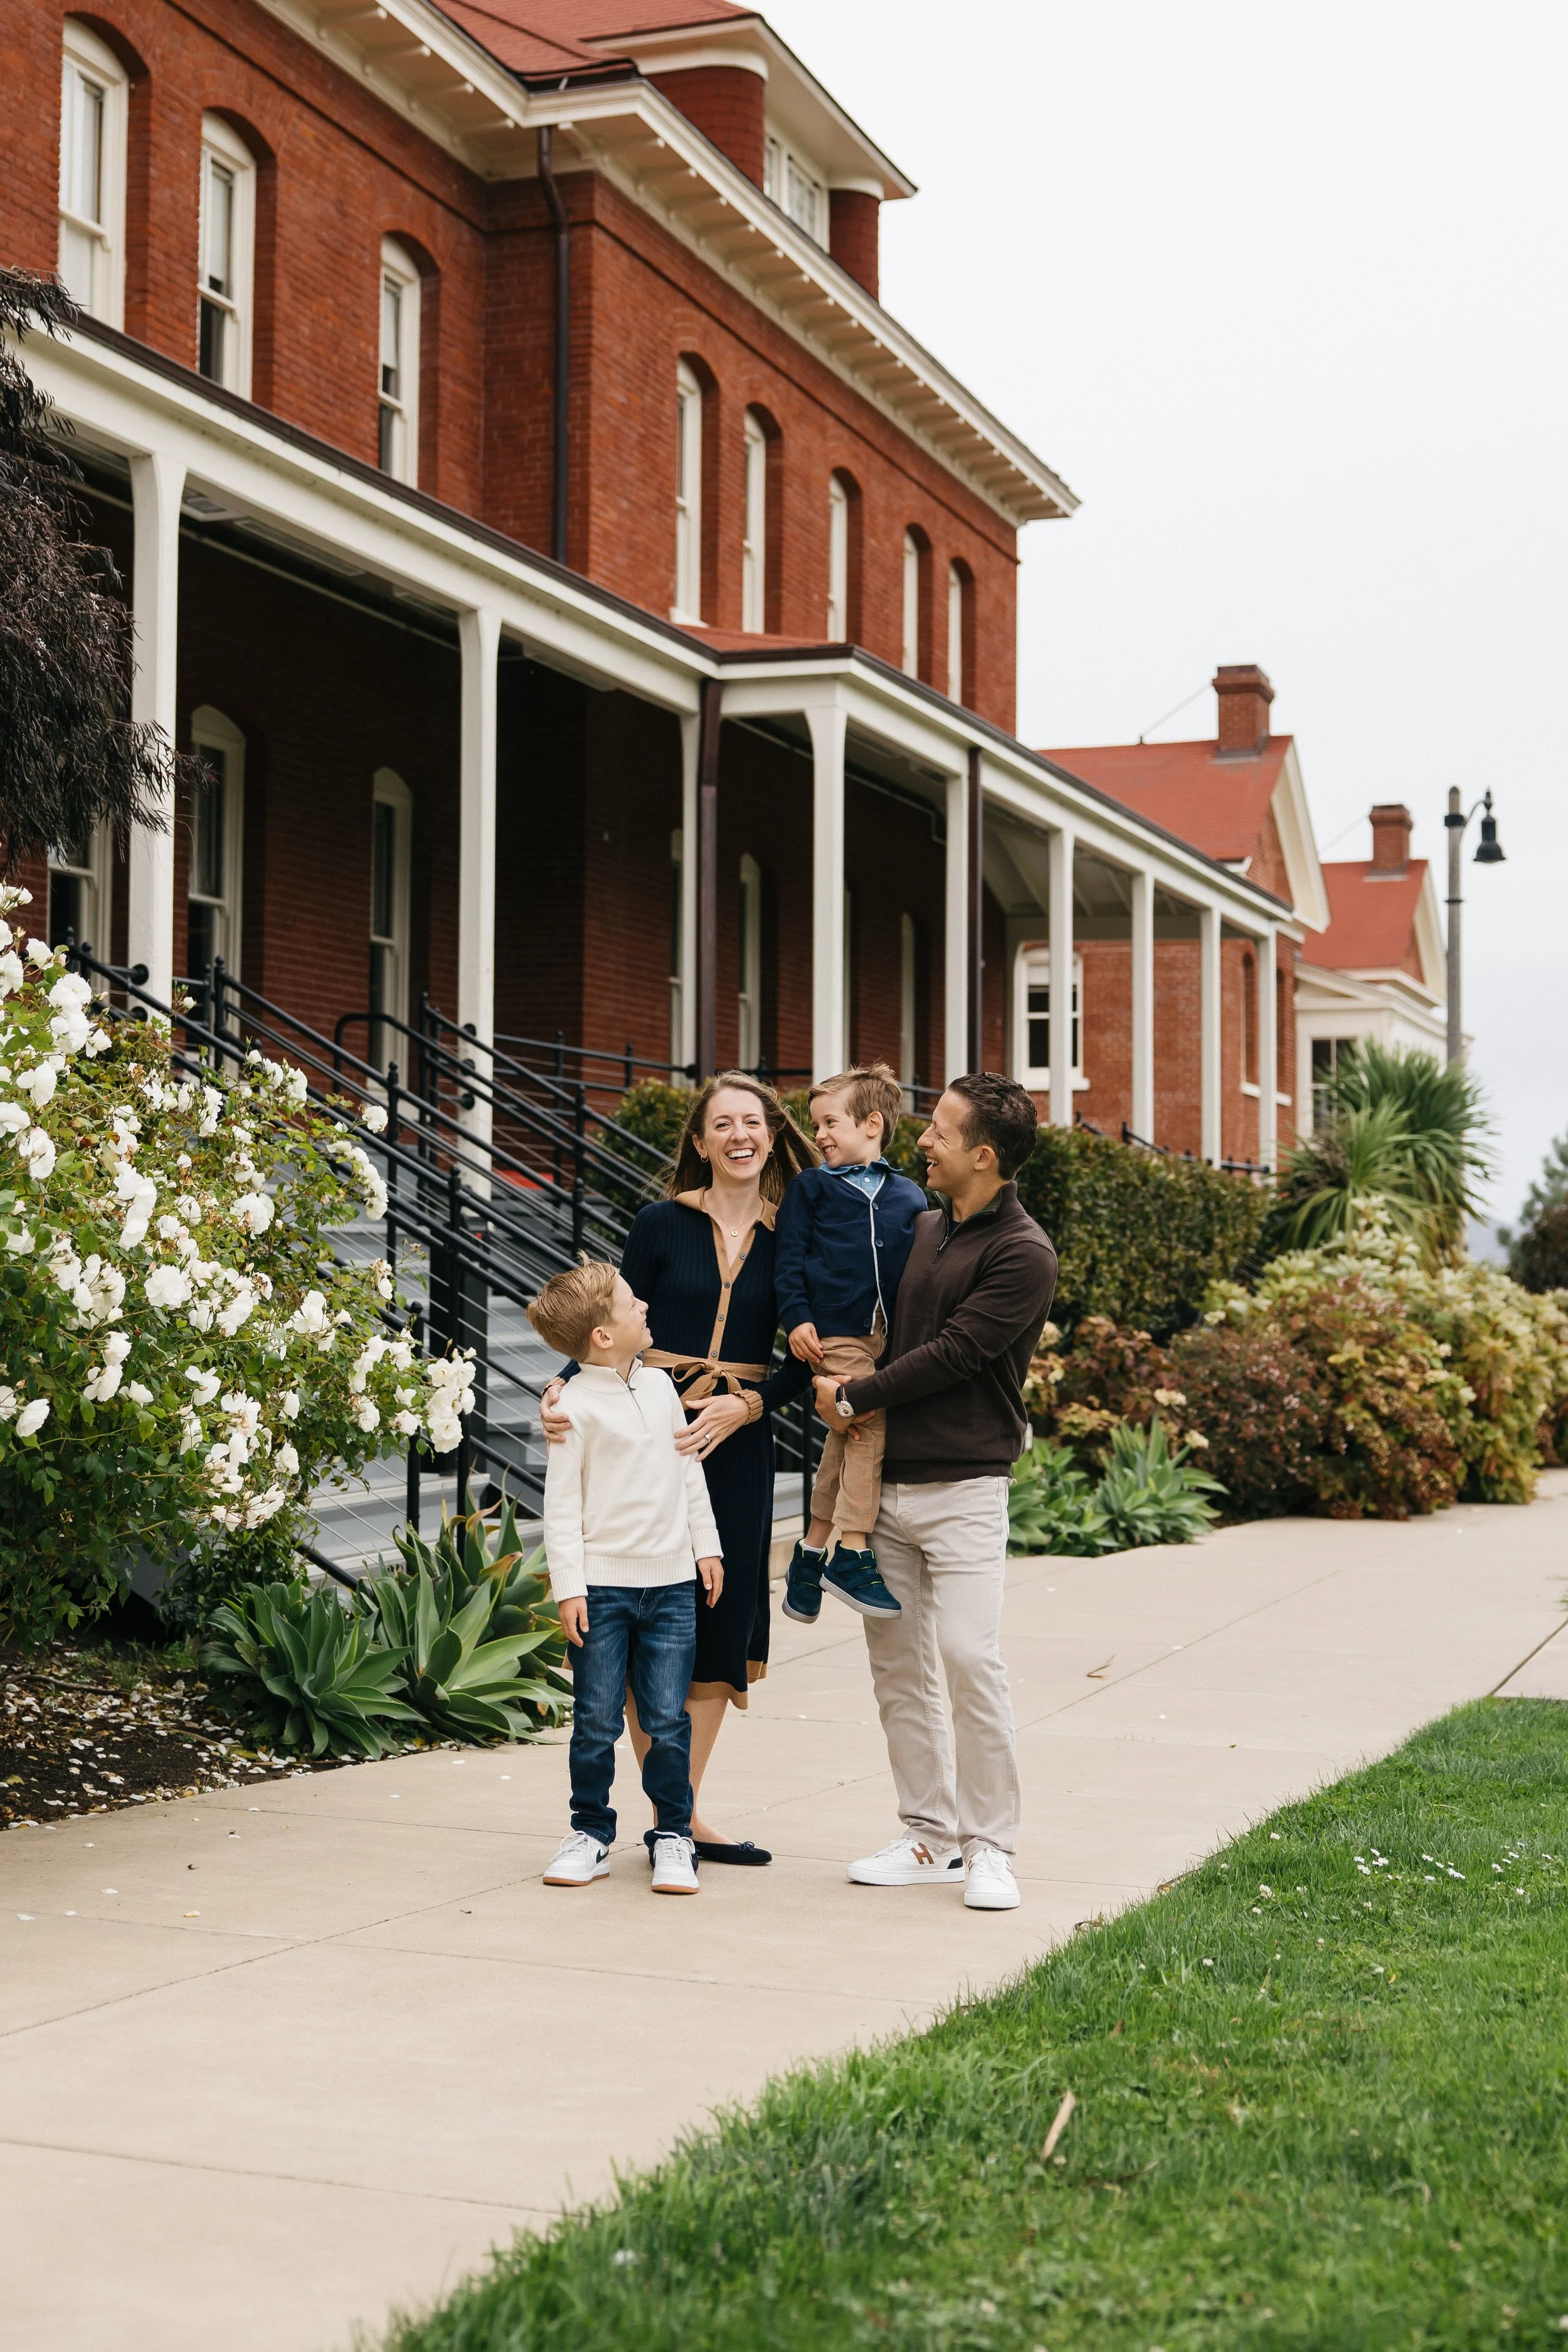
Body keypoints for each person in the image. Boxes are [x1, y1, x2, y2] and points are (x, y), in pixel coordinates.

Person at [539, 1074, 818, 1865]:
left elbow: (808, 1353)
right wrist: (560, 1388)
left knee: (717, 1618)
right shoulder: (661, 1224)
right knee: (637, 1607)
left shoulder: (790, 1235)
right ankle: (672, 1815)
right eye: (721, 1123)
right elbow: (606, 1319)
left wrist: (751, 1405)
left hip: (738, 1444)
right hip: (648, 1432)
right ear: (699, 1142)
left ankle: (680, 1816)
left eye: (752, 1123)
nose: (739, 1135)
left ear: (770, 1136)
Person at [812, 1072, 1056, 1915]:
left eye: (943, 1131)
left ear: (983, 1156)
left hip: (965, 1490)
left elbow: (955, 1353)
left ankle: (990, 1846)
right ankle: (929, 1836)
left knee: (968, 1660)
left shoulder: (1024, 1253)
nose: (923, 1139)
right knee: (897, 1671)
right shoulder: (923, 1227)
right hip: (889, 1489)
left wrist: (853, 1396)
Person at [527, 1259, 723, 1896]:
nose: (645, 1307)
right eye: (632, 1302)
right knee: (595, 1721)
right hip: (603, 1593)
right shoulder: (573, 1408)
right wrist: (571, 1589)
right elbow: (561, 1507)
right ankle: (590, 1834)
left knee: (667, 1720)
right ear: (603, 1336)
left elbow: (687, 1469)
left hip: (671, 1588)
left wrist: (707, 1547)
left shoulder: (664, 1387)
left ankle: (673, 1836)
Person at [774, 1062, 927, 1625]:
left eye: (829, 1123)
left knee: (847, 1437)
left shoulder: (909, 1194)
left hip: (889, 1337)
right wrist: (795, 1317)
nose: (819, 1136)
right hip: (834, 1331)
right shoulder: (812, 1187)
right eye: (816, 1126)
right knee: (867, 1420)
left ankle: (811, 1553)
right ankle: (854, 1548)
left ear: (872, 1123)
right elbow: (788, 1260)